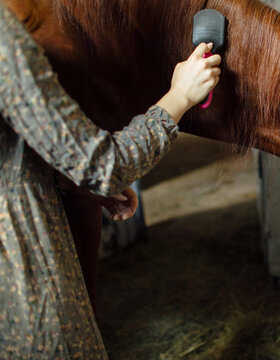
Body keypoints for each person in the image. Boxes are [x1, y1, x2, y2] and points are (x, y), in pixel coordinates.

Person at [0, 3, 221, 359]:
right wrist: (179, 96)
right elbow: (103, 166)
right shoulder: (3, 41)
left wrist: (69, 177)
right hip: (22, 284)